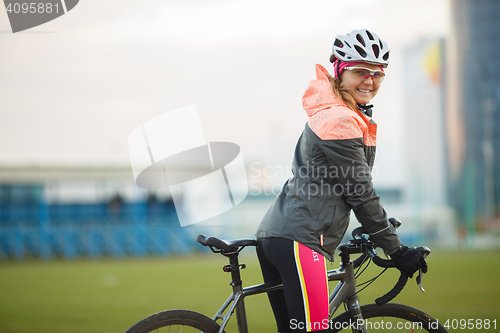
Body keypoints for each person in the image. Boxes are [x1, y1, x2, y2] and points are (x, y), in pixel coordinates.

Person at [255, 29, 428, 333]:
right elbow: (359, 191)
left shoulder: (331, 111)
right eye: (360, 71)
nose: (369, 80)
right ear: (338, 70)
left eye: (377, 74)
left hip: (280, 233)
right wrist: (396, 250)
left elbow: (334, 187)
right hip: (301, 239)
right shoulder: (340, 120)